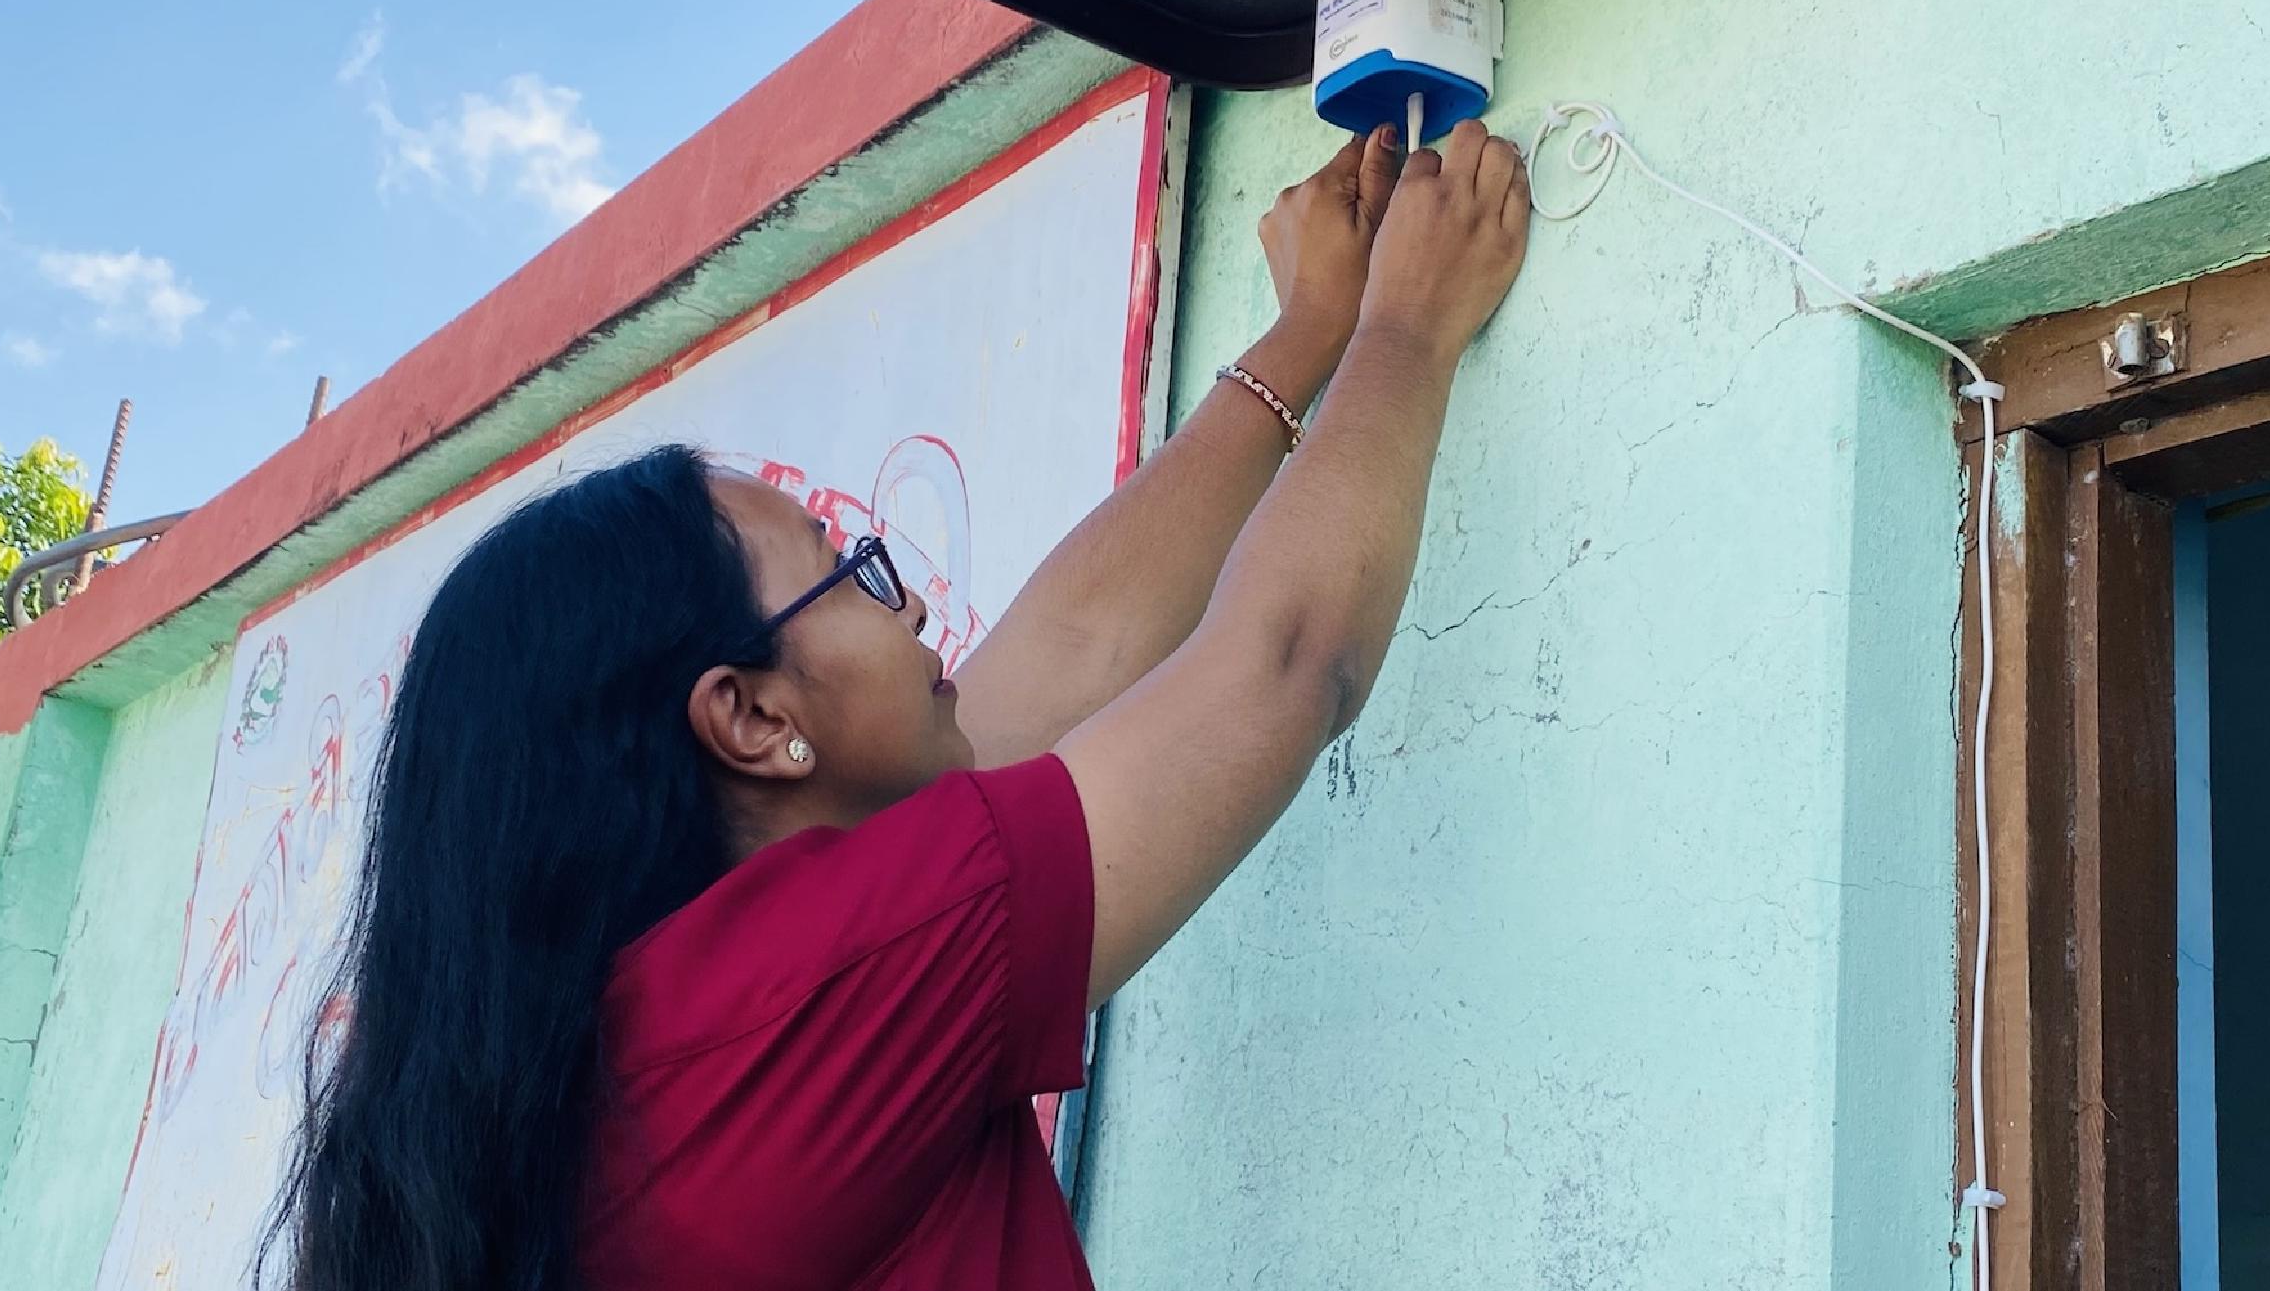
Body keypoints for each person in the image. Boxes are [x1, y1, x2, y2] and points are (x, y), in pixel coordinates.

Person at [273, 119, 1531, 1290]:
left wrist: (1305, 334)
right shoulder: (806, 997)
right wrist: (1405, 331)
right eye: (854, 573)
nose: (916, 613)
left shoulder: (641, 1051)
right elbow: (1285, 662)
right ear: (752, 721)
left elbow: (1074, 648)